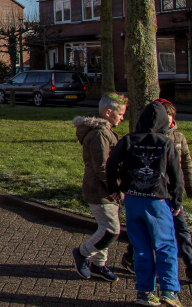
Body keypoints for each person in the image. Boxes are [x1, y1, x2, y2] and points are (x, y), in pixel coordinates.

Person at [121, 99, 192, 282]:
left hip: (172, 195)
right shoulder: (145, 139)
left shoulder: (178, 138)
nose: (170, 120)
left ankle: (191, 264)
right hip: (153, 195)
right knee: (147, 230)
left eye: (172, 117)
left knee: (181, 229)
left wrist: (190, 191)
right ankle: (131, 256)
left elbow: (185, 166)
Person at [106, 101, 185, 307]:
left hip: (132, 199)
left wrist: (114, 188)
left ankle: (145, 292)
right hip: (156, 199)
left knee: (140, 247)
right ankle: (169, 291)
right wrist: (177, 199)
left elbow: (111, 164)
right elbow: (176, 174)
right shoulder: (166, 143)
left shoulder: (128, 140)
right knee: (165, 245)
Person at [71, 93, 127, 283]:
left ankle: (99, 266)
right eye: (120, 114)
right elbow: (102, 166)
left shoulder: (105, 130)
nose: (122, 118)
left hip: (104, 188)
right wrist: (116, 188)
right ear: (108, 112)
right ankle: (82, 253)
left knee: (105, 228)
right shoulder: (99, 134)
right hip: (100, 189)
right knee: (112, 231)